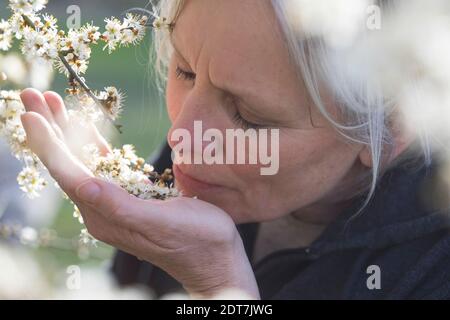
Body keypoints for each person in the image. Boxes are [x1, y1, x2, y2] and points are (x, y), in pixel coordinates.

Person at [19, 0, 450, 299]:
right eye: (185, 71)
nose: (181, 137)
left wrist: (217, 284)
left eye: (248, 115)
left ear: (390, 129)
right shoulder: (194, 171)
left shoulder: (432, 272)